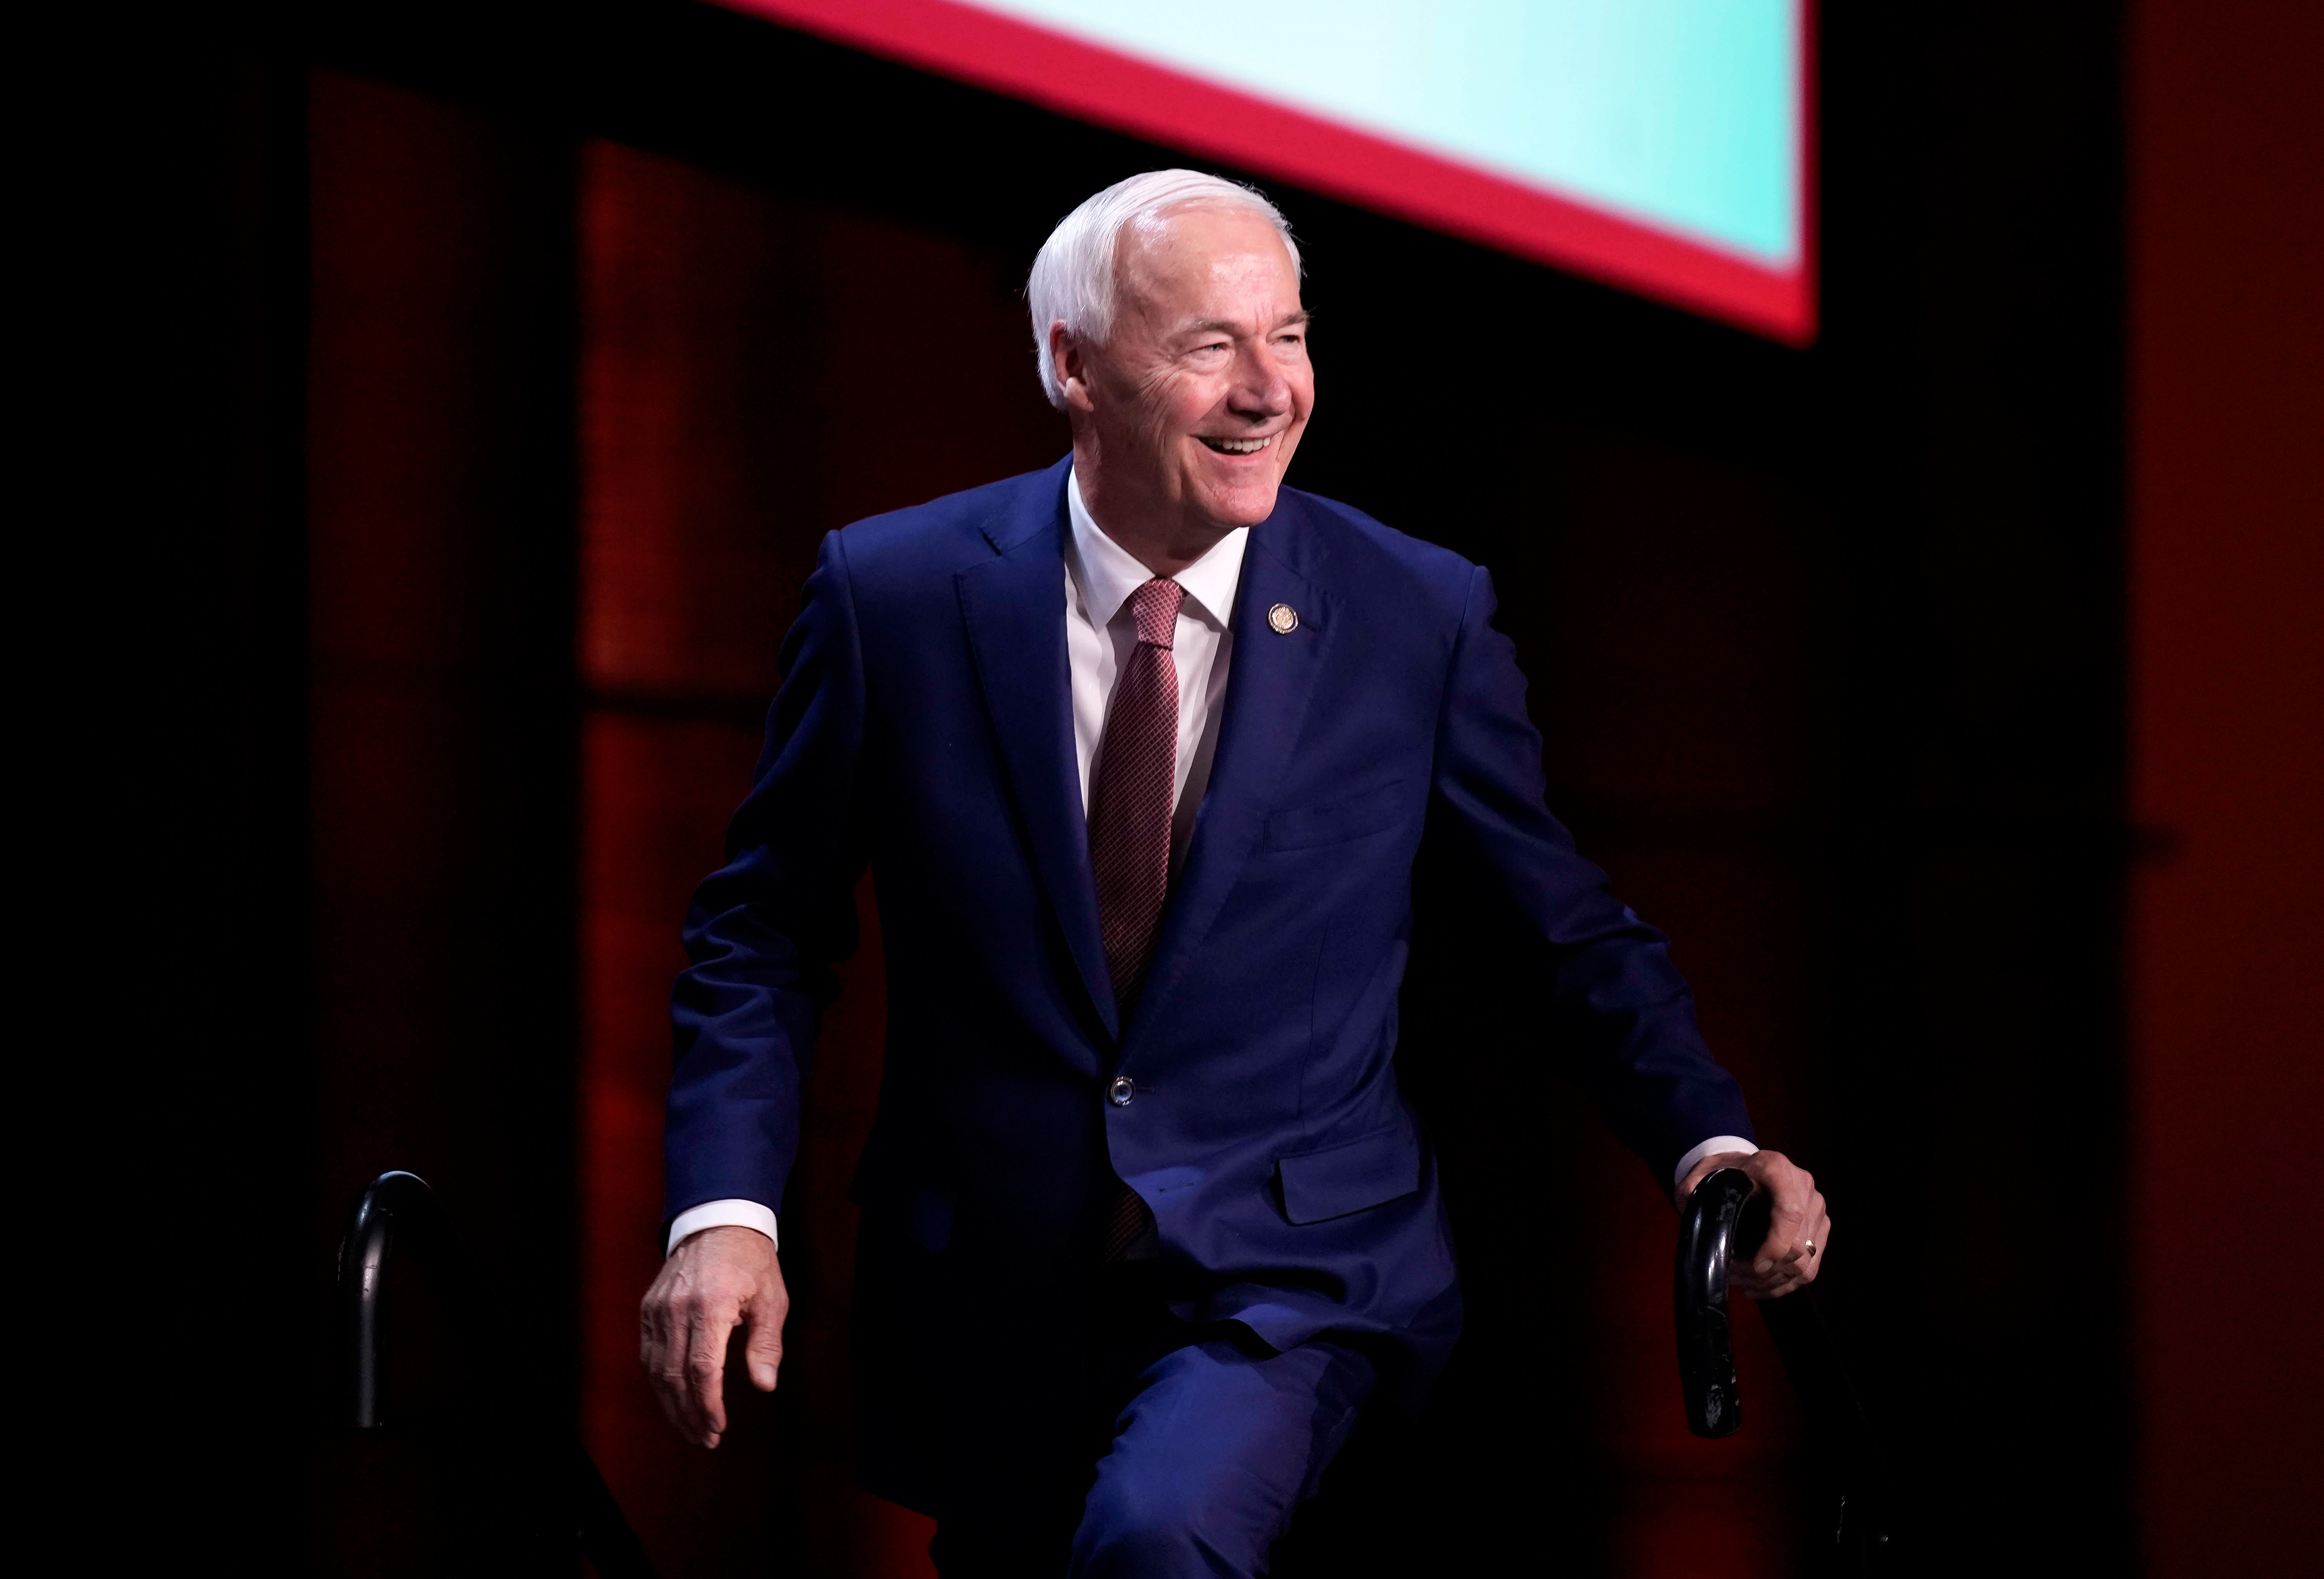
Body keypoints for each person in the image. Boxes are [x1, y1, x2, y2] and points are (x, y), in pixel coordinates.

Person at [639, 169, 1829, 1577]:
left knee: (1158, 1538)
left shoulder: (1413, 612)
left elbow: (1560, 928)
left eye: (1291, 336)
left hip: (1294, 1275)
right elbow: (764, 932)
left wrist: (1708, 1141)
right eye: (1212, 345)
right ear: (1073, 365)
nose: (1270, 390)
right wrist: (725, 1213)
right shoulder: (890, 595)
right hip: (994, 1290)